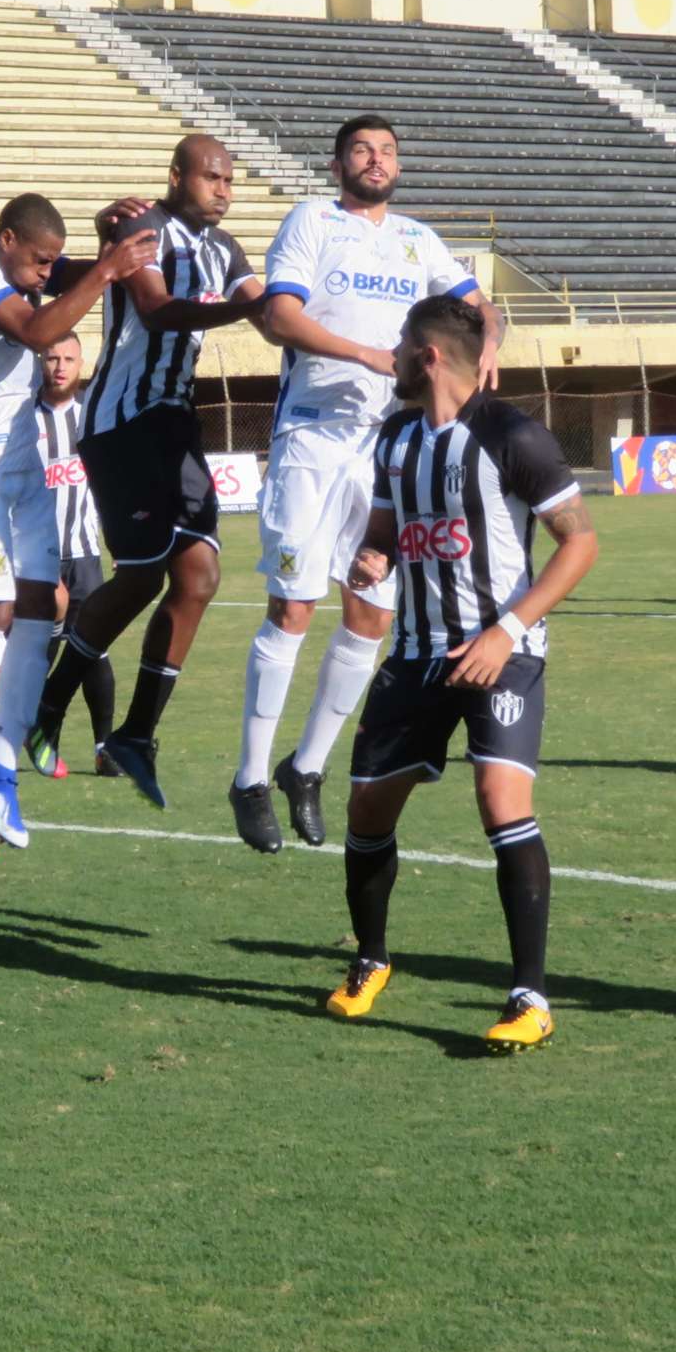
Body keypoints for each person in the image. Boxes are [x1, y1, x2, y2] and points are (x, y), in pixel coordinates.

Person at [232, 114, 502, 853]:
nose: (375, 160)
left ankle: (306, 767)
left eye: (387, 151)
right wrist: (367, 354)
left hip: (385, 446)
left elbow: (483, 308)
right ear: (337, 161)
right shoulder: (312, 221)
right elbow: (280, 315)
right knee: (292, 605)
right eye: (361, 150)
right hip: (313, 436)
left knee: (372, 615)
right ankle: (250, 777)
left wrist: (487, 348)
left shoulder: (418, 239)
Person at [336, 296, 597, 1050]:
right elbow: (383, 533)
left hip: (503, 651)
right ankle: (372, 959)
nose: (388, 355)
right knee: (366, 812)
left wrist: (506, 629)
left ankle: (529, 996)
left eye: (398, 346)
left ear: (427, 358)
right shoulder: (394, 438)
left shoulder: (512, 435)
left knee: (499, 796)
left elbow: (579, 544)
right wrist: (372, 555)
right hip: (417, 651)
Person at [0, 194, 153, 869]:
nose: (48, 272)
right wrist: (102, 273)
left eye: (54, 263)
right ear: (8, 239)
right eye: (41, 260)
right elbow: (38, 331)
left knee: (42, 610)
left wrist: (114, 236)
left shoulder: (24, 270)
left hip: (23, 467)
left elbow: (82, 274)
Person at [30, 137, 267, 810]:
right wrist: (251, 309)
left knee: (199, 575)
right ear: (175, 177)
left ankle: (134, 734)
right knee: (138, 578)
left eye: (230, 179)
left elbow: (273, 313)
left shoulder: (227, 251)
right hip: (122, 424)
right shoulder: (142, 230)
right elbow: (160, 310)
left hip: (174, 423)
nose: (224, 188)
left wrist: (306, 315)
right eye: (211, 177)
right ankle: (51, 703)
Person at [30, 334, 116, 780]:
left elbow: (114, 485)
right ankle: (41, 738)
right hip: (35, 556)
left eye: (68, 358)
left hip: (85, 555)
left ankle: (105, 747)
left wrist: (121, 545)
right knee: (38, 651)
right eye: (51, 357)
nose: (59, 366)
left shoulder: (95, 417)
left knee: (93, 651)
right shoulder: (22, 418)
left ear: (82, 363)